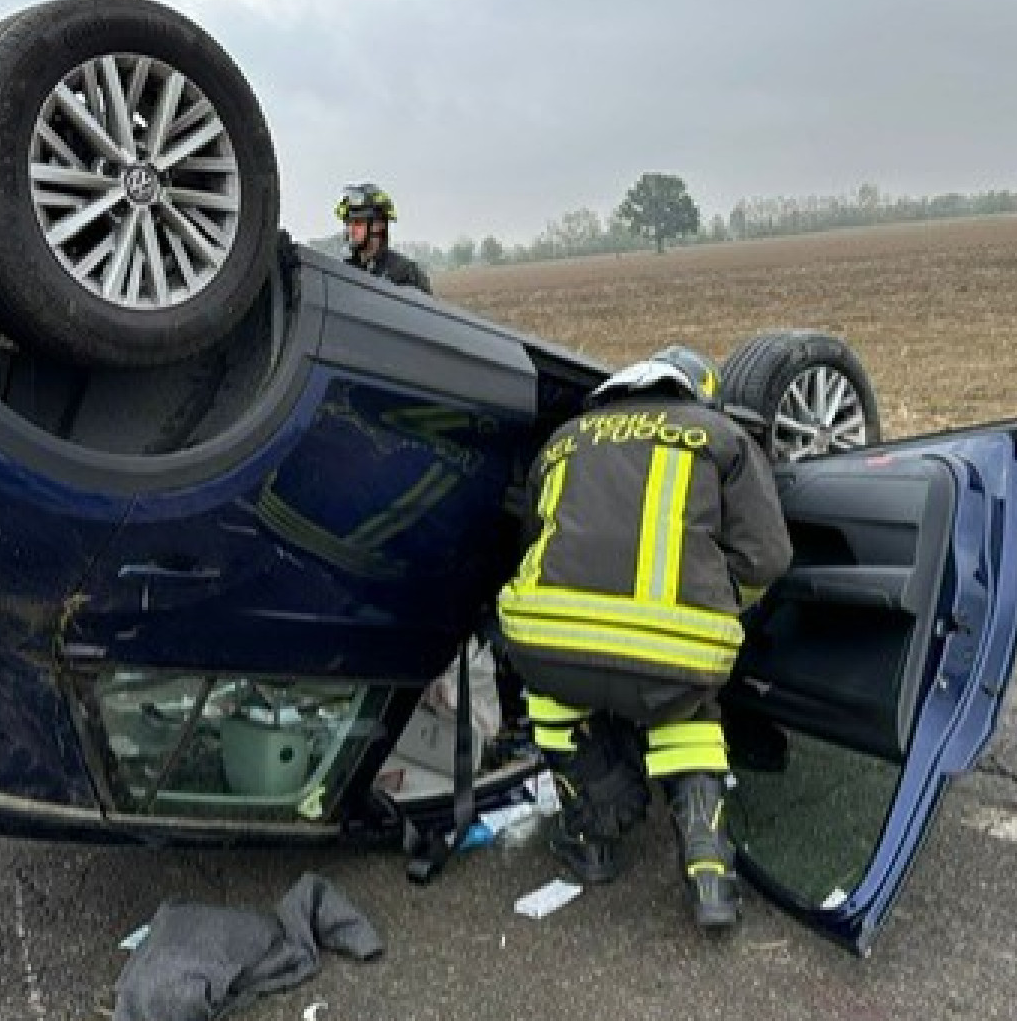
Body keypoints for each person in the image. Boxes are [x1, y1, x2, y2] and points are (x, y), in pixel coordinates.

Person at [493, 345, 791, 935]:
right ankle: (710, 874)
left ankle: (591, 838)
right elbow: (769, 555)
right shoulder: (721, 437)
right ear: (695, 391)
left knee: (554, 701)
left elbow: (534, 539)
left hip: (548, 642)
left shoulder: (563, 440)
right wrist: (720, 601)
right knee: (686, 711)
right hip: (671, 653)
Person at [335, 182, 433, 294]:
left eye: (358, 223)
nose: (351, 230)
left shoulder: (404, 272)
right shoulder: (344, 270)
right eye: (348, 223)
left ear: (378, 225)